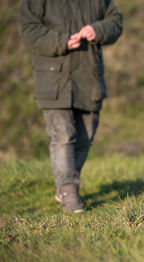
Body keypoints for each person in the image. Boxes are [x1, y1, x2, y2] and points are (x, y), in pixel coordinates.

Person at [18, 0, 123, 213]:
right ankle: (69, 191)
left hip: (89, 79)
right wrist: (61, 41)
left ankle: (66, 185)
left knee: (85, 139)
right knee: (64, 135)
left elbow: (116, 22)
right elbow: (28, 28)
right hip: (53, 79)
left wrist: (98, 29)